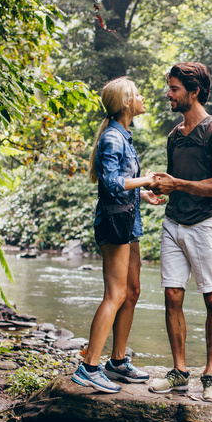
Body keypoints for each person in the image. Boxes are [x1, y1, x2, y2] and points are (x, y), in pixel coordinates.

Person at [147, 62, 212, 403]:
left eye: (174, 89)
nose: (168, 94)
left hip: (206, 225)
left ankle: (210, 374)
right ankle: (180, 372)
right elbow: (176, 180)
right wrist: (162, 189)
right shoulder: (173, 135)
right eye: (169, 88)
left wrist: (178, 183)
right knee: (172, 296)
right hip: (173, 223)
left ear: (193, 91)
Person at [72, 77, 164, 393]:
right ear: (126, 102)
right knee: (115, 294)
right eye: (137, 94)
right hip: (114, 223)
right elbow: (111, 183)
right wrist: (146, 181)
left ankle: (117, 362)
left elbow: (124, 183)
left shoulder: (124, 135)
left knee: (133, 290)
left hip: (129, 221)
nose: (142, 97)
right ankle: (89, 368)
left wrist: (144, 193)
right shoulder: (113, 138)